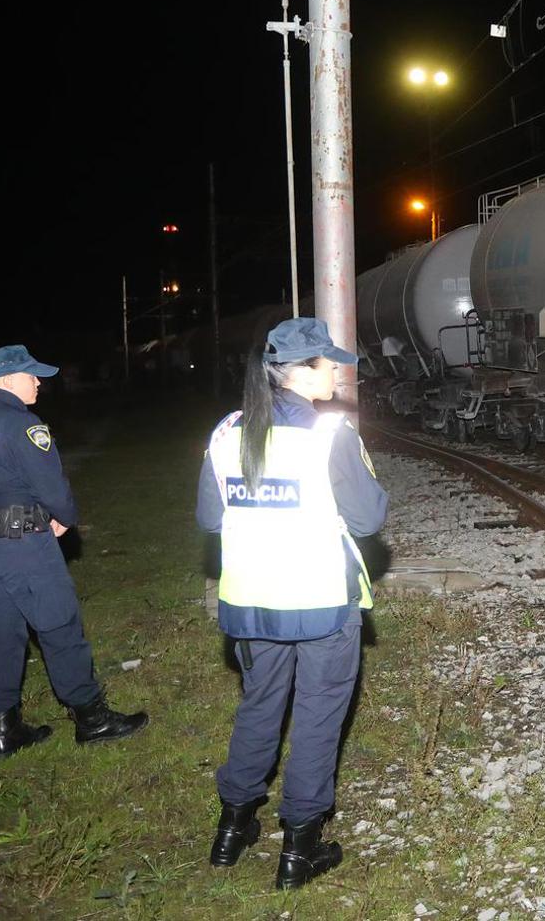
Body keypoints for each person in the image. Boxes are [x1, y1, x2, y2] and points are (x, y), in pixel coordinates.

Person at [197, 317, 388, 890]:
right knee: (317, 716)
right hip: (319, 598)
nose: (336, 373)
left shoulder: (228, 431)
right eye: (329, 364)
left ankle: (232, 828)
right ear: (303, 373)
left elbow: (210, 518)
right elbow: (368, 518)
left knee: (260, 705)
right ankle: (299, 850)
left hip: (251, 600)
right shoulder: (329, 434)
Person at [0, 345, 148, 757]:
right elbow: (50, 484)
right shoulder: (22, 424)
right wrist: (64, 516)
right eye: (31, 375)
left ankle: (4, 730)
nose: (38, 382)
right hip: (19, 535)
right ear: (8, 380)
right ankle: (91, 718)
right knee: (58, 623)